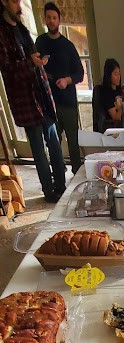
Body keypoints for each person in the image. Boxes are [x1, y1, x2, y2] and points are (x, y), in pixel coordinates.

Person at [0, 0, 66, 203]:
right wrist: (30, 62)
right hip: (25, 100)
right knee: (38, 149)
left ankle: (62, 187)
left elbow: (31, 57)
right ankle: (49, 192)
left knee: (54, 143)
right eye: (14, 1)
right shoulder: (2, 33)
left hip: (41, 94)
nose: (18, 4)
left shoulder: (21, 28)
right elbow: (8, 69)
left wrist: (37, 61)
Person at [36, 2, 84, 175]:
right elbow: (34, 68)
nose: (51, 21)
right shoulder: (40, 42)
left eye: (54, 18)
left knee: (73, 141)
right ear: (45, 19)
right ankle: (58, 175)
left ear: (59, 20)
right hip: (48, 102)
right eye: (48, 17)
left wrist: (66, 80)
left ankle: (77, 174)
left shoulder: (68, 46)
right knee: (53, 142)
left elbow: (80, 73)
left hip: (67, 101)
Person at [93, 58, 124, 132]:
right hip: (111, 129)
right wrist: (123, 106)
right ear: (109, 75)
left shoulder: (118, 90)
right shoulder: (105, 93)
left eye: (119, 73)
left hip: (122, 126)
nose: (118, 77)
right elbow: (116, 118)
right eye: (115, 74)